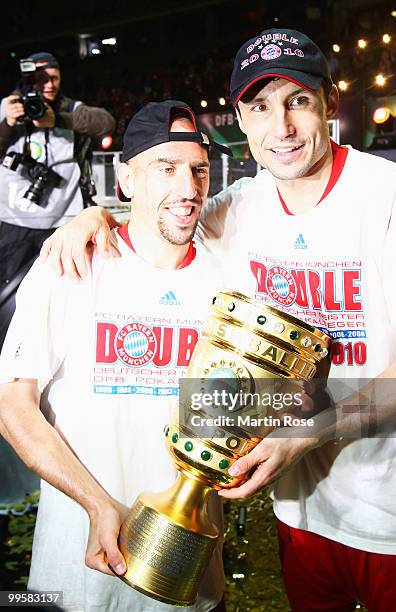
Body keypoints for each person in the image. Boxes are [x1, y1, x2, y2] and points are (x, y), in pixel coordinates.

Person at [40, 28, 396, 612]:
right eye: (261, 106)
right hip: (301, 508)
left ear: (330, 104)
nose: (283, 128)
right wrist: (94, 215)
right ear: (242, 120)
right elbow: (163, 212)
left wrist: (304, 435)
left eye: (298, 100)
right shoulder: (242, 207)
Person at [0, 100, 229, 611]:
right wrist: (96, 503)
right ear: (125, 179)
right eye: (164, 168)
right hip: (78, 579)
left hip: (189, 581)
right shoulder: (72, 263)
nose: (187, 188)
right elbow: (12, 404)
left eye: (198, 169)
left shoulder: (229, 277)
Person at [0, 51, 115, 286]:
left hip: (65, 220)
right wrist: (7, 123)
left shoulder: (71, 108)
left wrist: (60, 120)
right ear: (29, 79)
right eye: (43, 79)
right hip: (15, 220)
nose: (50, 85)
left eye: (55, 77)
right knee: (10, 291)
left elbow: (106, 123)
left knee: (66, 285)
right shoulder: (8, 106)